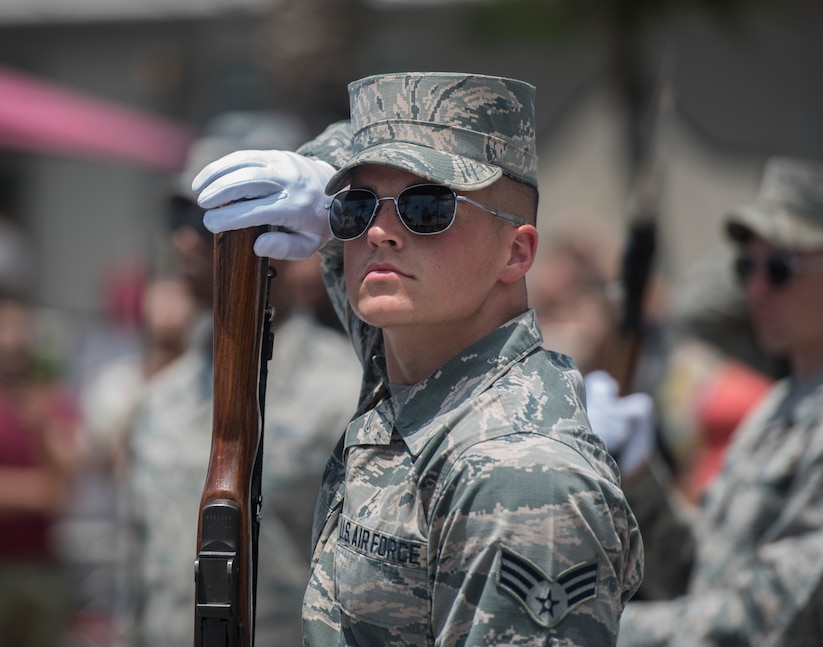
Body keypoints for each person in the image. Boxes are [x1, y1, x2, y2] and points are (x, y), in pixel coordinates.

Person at [193, 72, 644, 645]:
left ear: (517, 251)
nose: (379, 232)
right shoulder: (409, 376)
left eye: (427, 207)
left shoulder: (519, 476)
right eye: (354, 208)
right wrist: (324, 177)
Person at [86, 112, 365, 647]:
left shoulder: (346, 395)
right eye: (180, 215)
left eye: (213, 216)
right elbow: (141, 578)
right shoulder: (159, 397)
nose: (188, 241)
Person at [594, 156, 823, 645]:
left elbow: (772, 624)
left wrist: (588, 627)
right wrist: (637, 476)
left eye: (781, 268)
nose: (754, 288)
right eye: (747, 266)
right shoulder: (779, 408)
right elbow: (698, 572)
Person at [0, 294, 84, 647]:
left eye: (20, 328)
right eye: (3, 328)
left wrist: (43, 428)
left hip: (42, 570)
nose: (13, 340)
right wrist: (38, 492)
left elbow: (66, 485)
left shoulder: (52, 402)